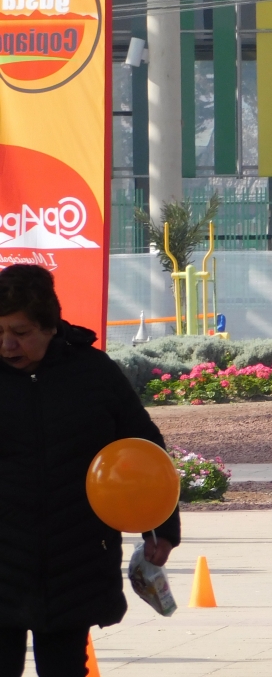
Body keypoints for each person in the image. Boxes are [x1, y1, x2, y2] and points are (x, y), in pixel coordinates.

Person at [0, 264, 180, 676]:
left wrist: (162, 528)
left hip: (74, 562)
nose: (8, 344)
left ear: (50, 325)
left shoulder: (94, 373)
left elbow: (144, 448)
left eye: (21, 332)